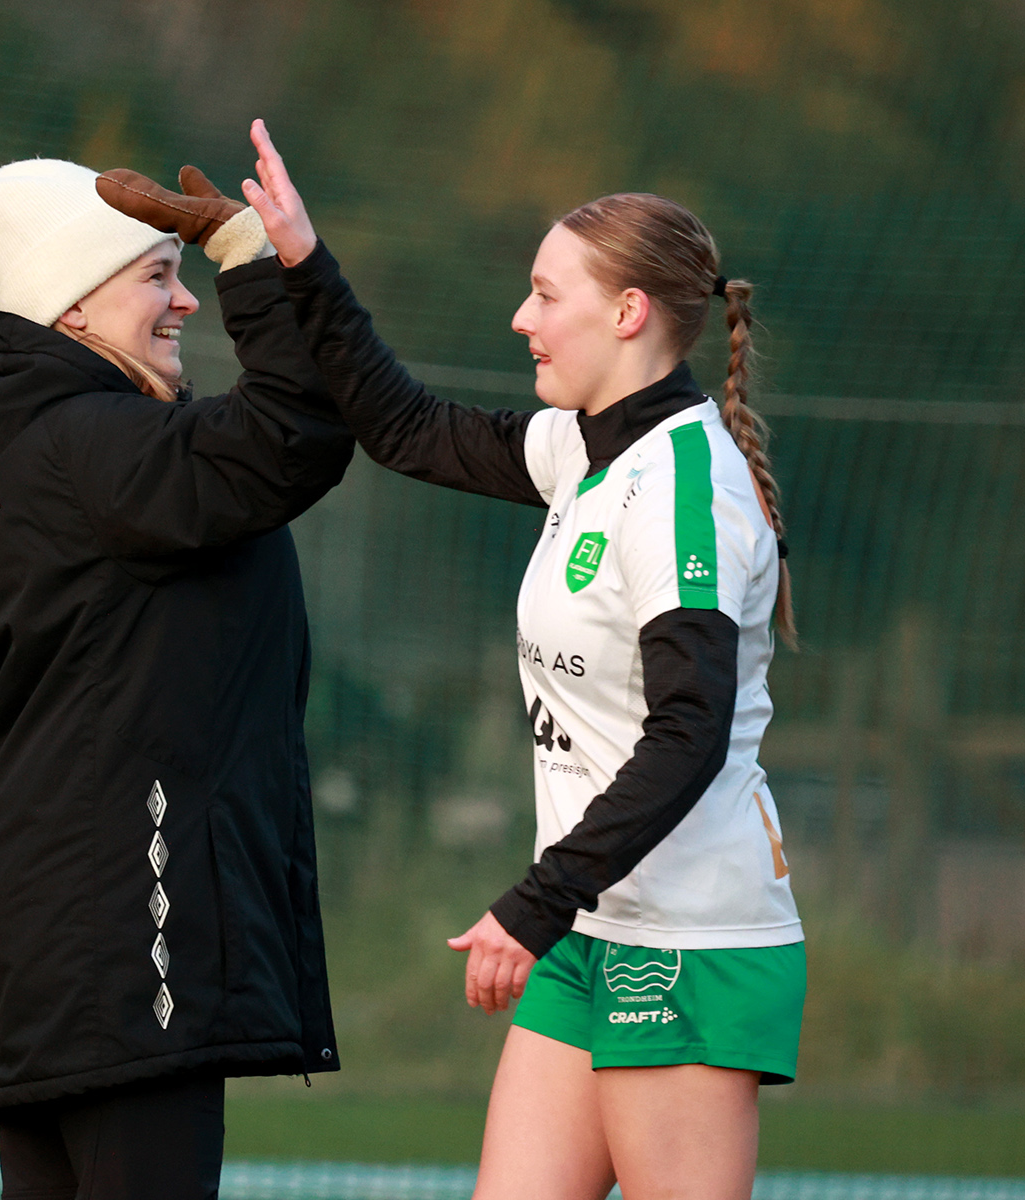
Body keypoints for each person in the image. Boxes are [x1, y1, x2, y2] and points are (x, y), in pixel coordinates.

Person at [141, 119, 804, 1200]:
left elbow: (687, 734)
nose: (521, 318)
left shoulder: (685, 487)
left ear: (629, 313)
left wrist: (532, 903)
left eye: (547, 295)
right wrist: (302, 261)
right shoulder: (586, 450)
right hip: (592, 925)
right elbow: (401, 425)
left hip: (686, 937)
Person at [0, 157, 353, 1200]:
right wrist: (254, 260)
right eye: (157, 274)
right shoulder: (93, 443)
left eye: (185, 270)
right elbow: (289, 439)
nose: (184, 297)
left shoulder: (26, 448)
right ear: (74, 309)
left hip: (40, 939)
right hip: (123, 933)